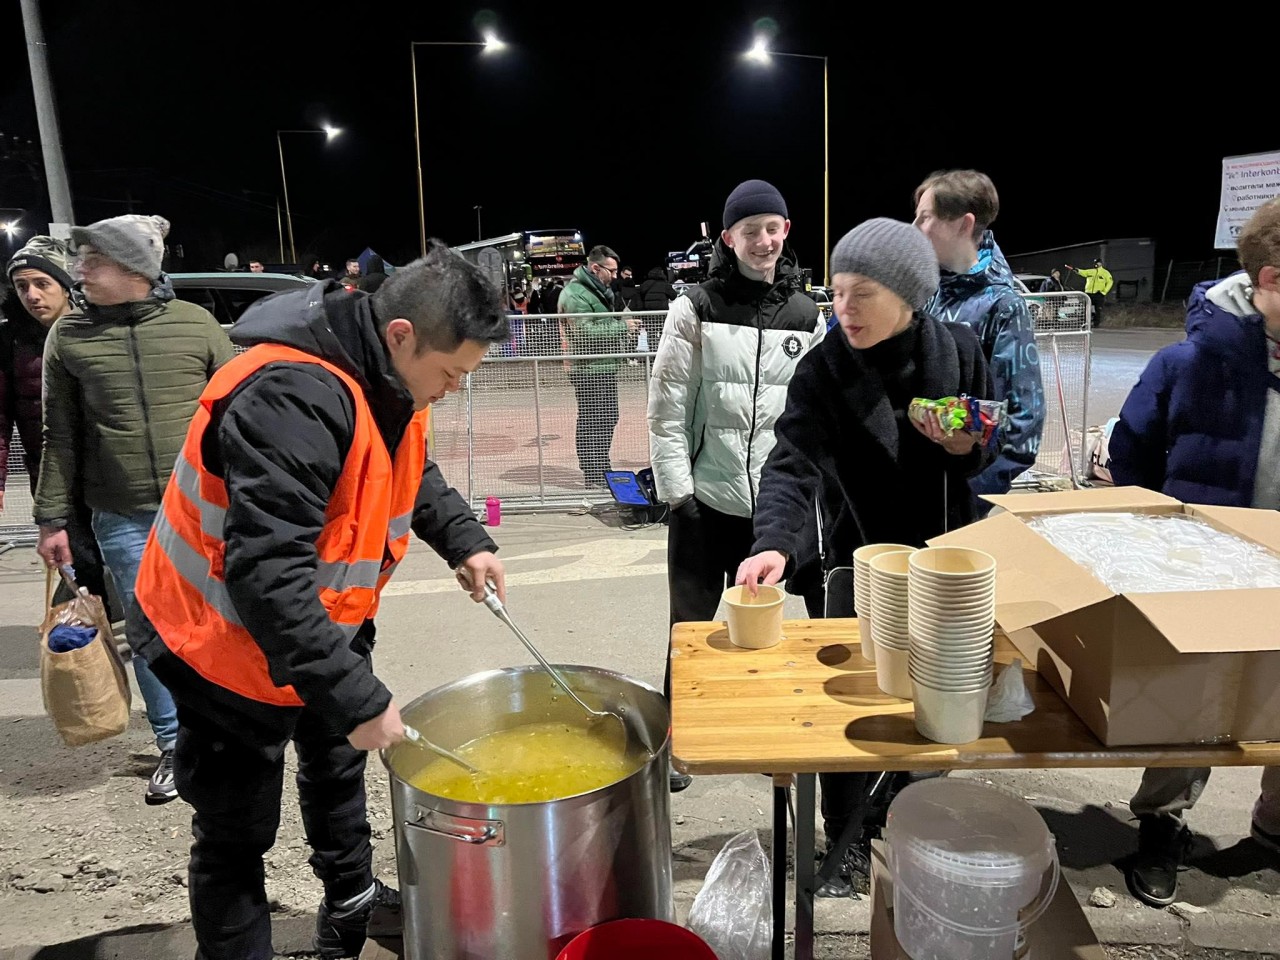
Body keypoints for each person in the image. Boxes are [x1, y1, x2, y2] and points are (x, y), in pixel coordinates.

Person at [132, 241, 510, 960]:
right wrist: (359, 696)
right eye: (451, 373)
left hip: (323, 625)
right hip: (218, 645)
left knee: (337, 767)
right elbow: (266, 578)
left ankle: (353, 906)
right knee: (236, 830)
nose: (455, 389)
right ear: (401, 335)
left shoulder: (391, 377)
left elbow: (408, 468)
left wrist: (466, 540)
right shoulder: (291, 396)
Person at [738, 217, 995, 897]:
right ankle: (846, 834)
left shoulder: (961, 350)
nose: (842, 310)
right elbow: (792, 464)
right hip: (859, 563)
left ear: (909, 296)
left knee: (937, 708)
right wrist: (772, 544)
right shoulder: (824, 369)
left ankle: (909, 820)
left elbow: (997, 432)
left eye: (862, 296)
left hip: (947, 563)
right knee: (848, 717)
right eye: (837, 293)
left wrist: (970, 436)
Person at [1107, 196, 1280, 908]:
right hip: (1210, 568)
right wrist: (1174, 540)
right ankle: (1162, 826)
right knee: (1194, 706)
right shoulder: (1192, 361)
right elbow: (1130, 453)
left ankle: (1273, 835)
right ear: (1270, 281)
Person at [34, 214, 235, 805]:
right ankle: (175, 744)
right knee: (151, 633)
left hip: (201, 510)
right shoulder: (68, 338)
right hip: (119, 515)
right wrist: (51, 519)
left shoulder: (195, 325)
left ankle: (224, 731)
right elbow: (59, 436)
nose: (78, 272)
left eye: (91, 261)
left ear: (134, 269)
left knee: (216, 622)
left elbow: (238, 418)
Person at [648, 179, 824, 792]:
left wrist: (805, 500)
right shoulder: (693, 308)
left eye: (773, 228)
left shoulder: (807, 315)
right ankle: (679, 738)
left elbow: (814, 415)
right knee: (690, 628)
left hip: (774, 511)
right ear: (729, 237)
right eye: (751, 231)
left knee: (777, 630)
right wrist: (679, 495)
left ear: (785, 233)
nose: (764, 240)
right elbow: (668, 408)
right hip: (706, 501)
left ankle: (764, 728)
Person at [913, 169, 1045, 505]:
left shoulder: (1003, 306)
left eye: (925, 217)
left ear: (963, 224)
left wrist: (970, 493)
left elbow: (1023, 421)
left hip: (959, 500)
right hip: (912, 491)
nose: (914, 228)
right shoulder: (925, 293)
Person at [2, 237, 115, 615]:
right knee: (78, 576)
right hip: (54, 481)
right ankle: (85, 663)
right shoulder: (9, 342)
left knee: (132, 570)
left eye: (42, 283)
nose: (31, 295)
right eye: (22, 287)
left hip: (112, 476)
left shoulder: (96, 327)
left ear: (65, 285)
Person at [559, 245, 638, 488]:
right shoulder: (576, 294)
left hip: (602, 366)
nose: (615, 276)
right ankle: (593, 472)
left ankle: (600, 466)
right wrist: (622, 327)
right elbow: (584, 333)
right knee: (593, 419)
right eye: (611, 271)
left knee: (606, 417)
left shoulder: (595, 291)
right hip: (587, 368)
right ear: (596, 268)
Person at [636, 266, 678, 351]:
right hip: (661, 314)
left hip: (648, 314)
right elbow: (674, 296)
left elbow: (639, 295)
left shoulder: (645, 284)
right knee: (663, 332)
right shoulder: (665, 285)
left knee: (651, 333)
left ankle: (652, 351)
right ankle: (662, 351)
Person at [1067, 257, 1114, 327]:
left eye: (1098, 263)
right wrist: (1076, 270)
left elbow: (1110, 282)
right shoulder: (1091, 271)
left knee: (1098, 309)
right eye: (1095, 263)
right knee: (1086, 309)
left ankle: (1096, 324)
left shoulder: (1105, 273)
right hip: (1088, 293)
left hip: (1099, 294)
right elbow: (1083, 272)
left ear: (1101, 264)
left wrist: (1104, 292)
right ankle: (1084, 323)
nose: (1096, 264)